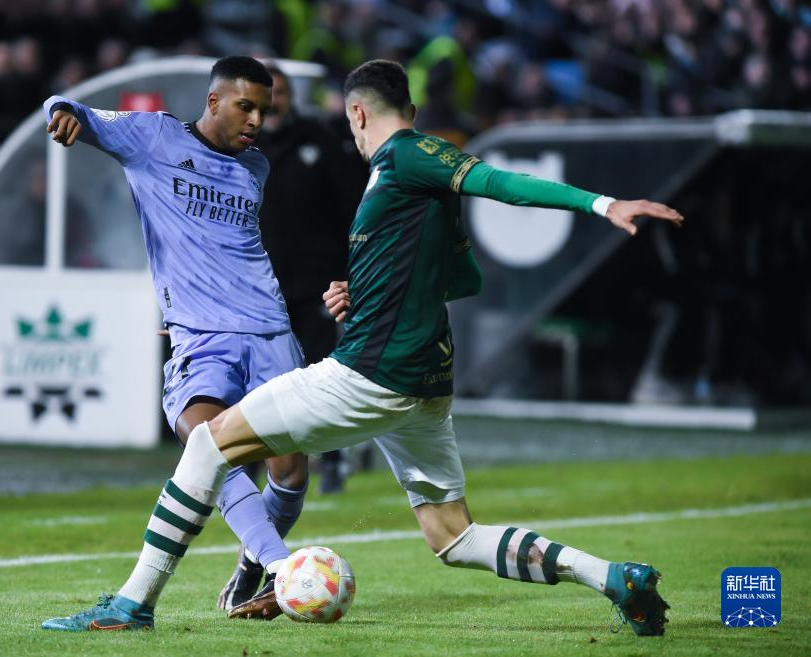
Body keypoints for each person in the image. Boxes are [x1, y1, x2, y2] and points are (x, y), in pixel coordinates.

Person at [41, 59, 683, 636]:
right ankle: (612, 577)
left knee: (208, 444)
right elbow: (464, 279)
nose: (260, 121)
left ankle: (135, 603)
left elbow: (500, 181)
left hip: (370, 373)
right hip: (427, 387)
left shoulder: (406, 157)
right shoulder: (408, 187)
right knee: (453, 537)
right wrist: (370, 290)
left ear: (355, 114)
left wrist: (602, 204)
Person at [39, 56, 309, 625]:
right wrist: (61, 112)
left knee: (290, 474)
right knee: (206, 443)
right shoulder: (153, 137)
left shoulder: (255, 166)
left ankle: (251, 569)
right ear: (213, 101)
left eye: (263, 110)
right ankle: (284, 569)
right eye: (245, 107)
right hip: (203, 337)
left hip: (271, 330)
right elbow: (75, 108)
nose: (256, 120)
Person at [257, 63, 368, 496]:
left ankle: (334, 460)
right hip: (259, 287)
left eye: (280, 93)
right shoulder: (239, 146)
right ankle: (253, 459)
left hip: (316, 283)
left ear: (291, 96)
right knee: (260, 379)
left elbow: (350, 211)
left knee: (322, 375)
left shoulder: (320, 140)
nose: (273, 103)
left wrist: (347, 273)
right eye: (266, 95)